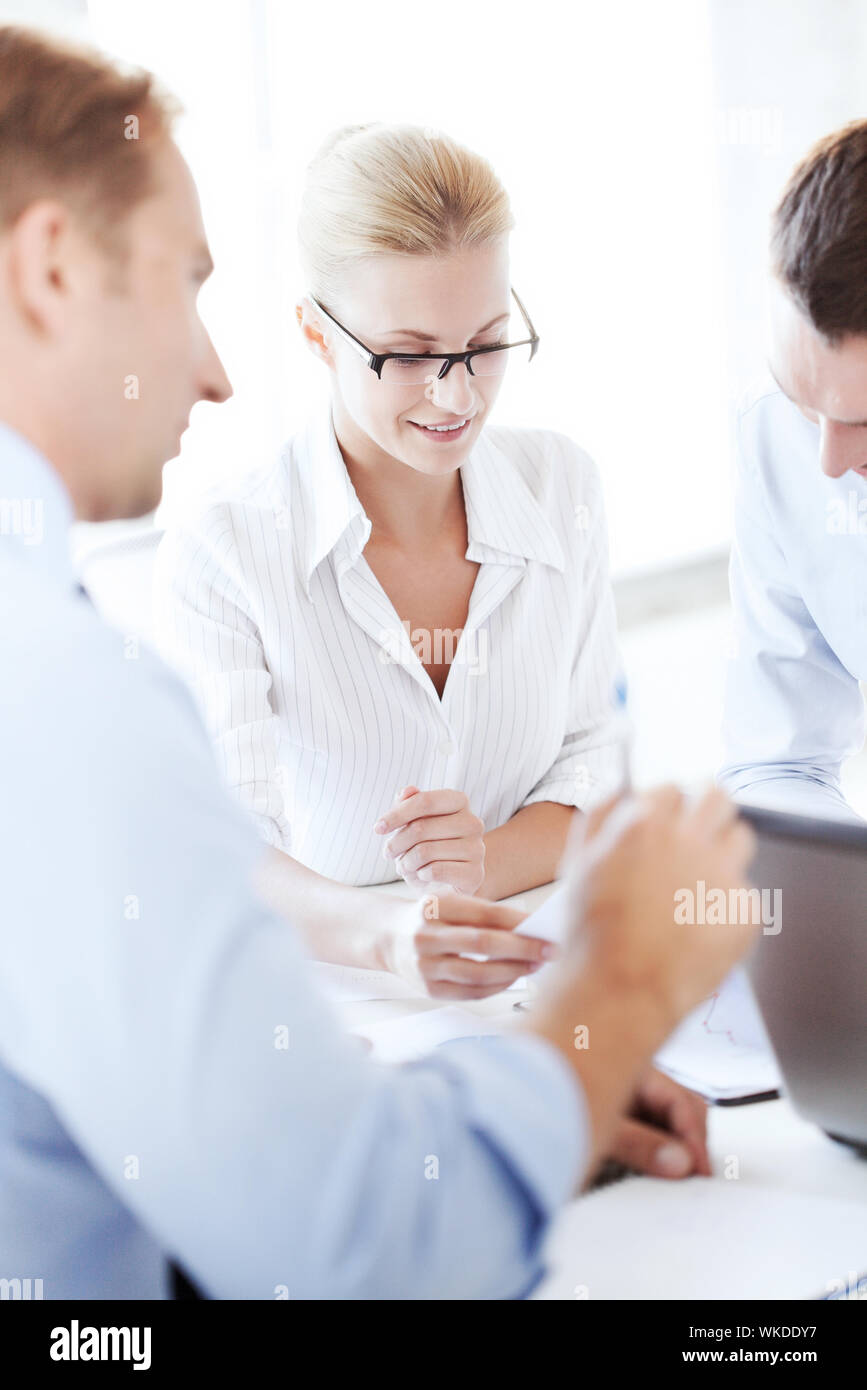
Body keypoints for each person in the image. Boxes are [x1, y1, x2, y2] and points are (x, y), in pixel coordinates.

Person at [0, 25, 756, 1300]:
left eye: (482, 343)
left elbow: (191, 1164)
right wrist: (613, 999)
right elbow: (367, 1249)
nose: (214, 370)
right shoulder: (67, 685)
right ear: (53, 270)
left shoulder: (52, 651)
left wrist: (522, 1106)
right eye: (187, 281)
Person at [152, 122, 624, 996]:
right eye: (406, 356)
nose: (457, 394)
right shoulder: (226, 546)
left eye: (484, 344)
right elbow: (226, 849)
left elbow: (596, 757)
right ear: (317, 335)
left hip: (536, 979)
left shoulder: (563, 487)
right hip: (338, 1007)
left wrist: (479, 862)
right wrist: (392, 935)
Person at [720, 119, 867, 822]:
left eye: (865, 423)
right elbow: (778, 763)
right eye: (803, 402)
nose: (829, 462)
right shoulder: (770, 436)